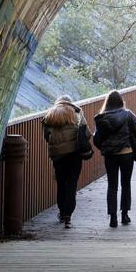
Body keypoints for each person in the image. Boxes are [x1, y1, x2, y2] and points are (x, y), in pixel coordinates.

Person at [93, 90, 136, 228]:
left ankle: (113, 218)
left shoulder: (102, 118)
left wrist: (106, 147)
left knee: (112, 186)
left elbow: (96, 139)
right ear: (121, 101)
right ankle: (125, 215)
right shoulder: (128, 114)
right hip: (127, 153)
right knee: (126, 184)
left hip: (110, 155)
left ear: (107, 102)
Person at [42, 95, 92, 229]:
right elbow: (86, 134)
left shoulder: (50, 114)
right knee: (72, 185)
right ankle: (68, 216)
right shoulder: (77, 112)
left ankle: (62, 212)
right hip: (74, 154)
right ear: (70, 102)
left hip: (58, 155)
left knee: (61, 184)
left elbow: (46, 136)